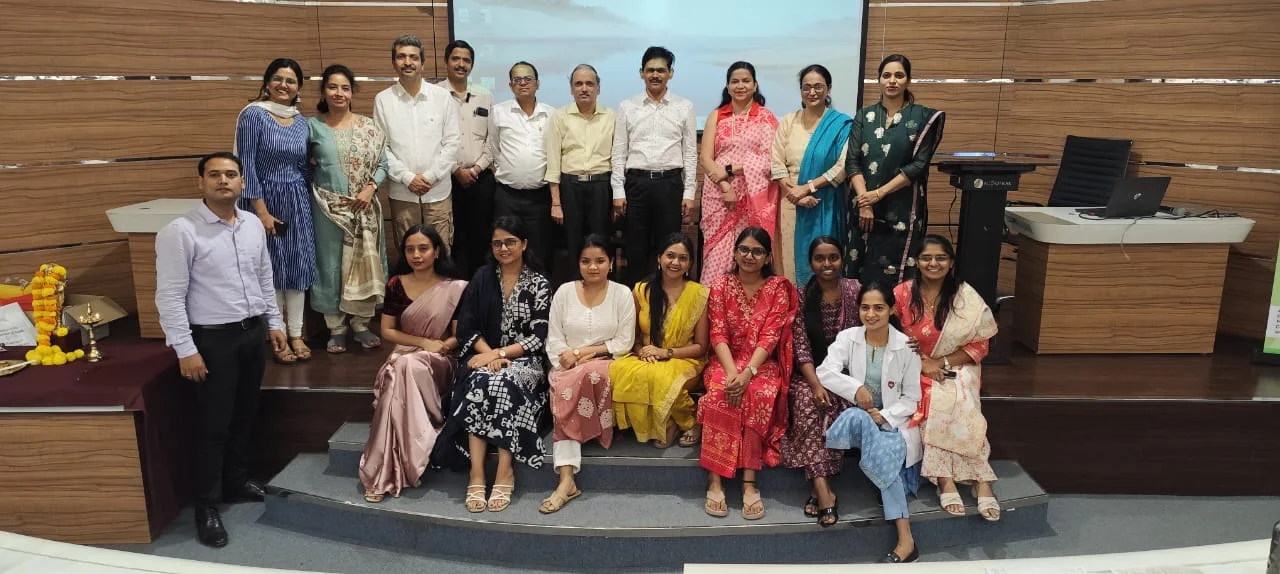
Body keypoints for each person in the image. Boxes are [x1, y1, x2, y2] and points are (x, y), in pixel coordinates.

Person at [155, 152, 289, 548]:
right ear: (200, 182)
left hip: (251, 334)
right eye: (214, 174)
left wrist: (275, 323)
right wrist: (185, 349)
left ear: (242, 183)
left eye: (231, 174)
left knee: (244, 415)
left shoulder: (251, 224)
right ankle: (206, 504)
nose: (223, 180)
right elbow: (169, 297)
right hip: (212, 340)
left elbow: (264, 276)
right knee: (213, 426)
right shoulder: (180, 231)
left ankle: (236, 482)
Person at [432, 216, 551, 514]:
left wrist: (500, 354)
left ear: (524, 244)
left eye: (510, 242)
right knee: (480, 380)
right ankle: (476, 473)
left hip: (525, 362)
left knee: (503, 382)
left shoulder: (539, 283)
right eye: (497, 243)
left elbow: (539, 337)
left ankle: (504, 470)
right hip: (485, 356)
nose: (504, 248)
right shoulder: (482, 277)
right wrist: (490, 355)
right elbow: (467, 327)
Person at [893, 234, 1001, 522]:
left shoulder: (965, 296)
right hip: (912, 366)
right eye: (926, 257)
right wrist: (921, 363)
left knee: (963, 397)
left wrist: (940, 362)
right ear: (916, 261)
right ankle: (945, 478)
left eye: (941, 257)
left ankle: (981, 479)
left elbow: (981, 344)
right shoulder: (902, 294)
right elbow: (890, 336)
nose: (933, 263)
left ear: (951, 263)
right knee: (934, 395)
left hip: (955, 363)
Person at [358, 225, 466, 503]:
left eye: (423, 248)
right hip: (407, 355)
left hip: (440, 360)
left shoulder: (454, 288)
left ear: (436, 252)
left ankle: (383, 470)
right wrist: (422, 342)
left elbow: (459, 335)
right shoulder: (396, 284)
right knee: (402, 368)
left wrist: (439, 346)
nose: (416, 255)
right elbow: (388, 331)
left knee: (401, 369)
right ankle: (393, 466)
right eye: (410, 249)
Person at [699, 226, 797, 520]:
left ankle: (749, 482)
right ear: (735, 252)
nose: (749, 256)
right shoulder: (721, 285)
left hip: (761, 364)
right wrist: (733, 373)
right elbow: (718, 333)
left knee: (758, 393)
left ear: (767, 257)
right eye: (744, 250)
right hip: (725, 361)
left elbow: (771, 336)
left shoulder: (778, 287)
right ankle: (715, 479)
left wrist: (747, 374)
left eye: (757, 251)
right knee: (719, 392)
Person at [820, 283, 923, 563]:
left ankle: (906, 540)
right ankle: (906, 539)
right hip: (858, 421)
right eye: (865, 307)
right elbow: (825, 372)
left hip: (891, 424)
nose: (871, 314)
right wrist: (856, 389)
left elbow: (912, 397)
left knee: (885, 449)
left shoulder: (906, 347)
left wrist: (885, 416)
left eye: (879, 308)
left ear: (892, 310)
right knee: (857, 416)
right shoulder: (848, 338)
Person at [540, 234, 636, 513]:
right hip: (566, 365)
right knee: (569, 383)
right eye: (586, 261)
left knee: (587, 377)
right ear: (578, 263)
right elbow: (554, 339)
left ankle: (567, 478)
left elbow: (624, 342)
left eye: (600, 261)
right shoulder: (564, 292)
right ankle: (566, 478)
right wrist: (568, 360)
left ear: (611, 263)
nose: (593, 267)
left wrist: (583, 353)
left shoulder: (622, 294)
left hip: (606, 363)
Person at [779, 236, 861, 527]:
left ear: (842, 260)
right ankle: (824, 489)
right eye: (820, 258)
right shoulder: (801, 296)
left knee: (837, 403)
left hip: (848, 375)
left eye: (833, 257)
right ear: (810, 262)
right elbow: (800, 346)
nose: (827, 264)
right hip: (809, 374)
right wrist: (815, 385)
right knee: (808, 401)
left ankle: (818, 490)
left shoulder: (855, 290)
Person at [235, 58, 313, 364]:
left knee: (298, 265)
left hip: (297, 199)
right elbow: (247, 165)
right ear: (267, 83)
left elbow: (304, 166)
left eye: (291, 81)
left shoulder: (302, 122)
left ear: (298, 87)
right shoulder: (253, 115)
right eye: (278, 79)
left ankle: (297, 332)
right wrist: (262, 212)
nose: (284, 85)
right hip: (263, 200)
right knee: (271, 267)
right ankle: (276, 333)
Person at [308, 64, 390, 354]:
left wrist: (370, 188)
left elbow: (383, 164)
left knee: (364, 264)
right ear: (323, 91)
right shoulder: (312, 127)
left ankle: (361, 324)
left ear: (352, 92)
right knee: (331, 265)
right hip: (327, 209)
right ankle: (336, 328)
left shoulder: (369, 127)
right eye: (332, 87)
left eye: (345, 87)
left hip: (363, 208)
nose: (338, 93)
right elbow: (303, 165)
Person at [845, 54, 945, 286]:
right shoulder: (864, 116)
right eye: (886, 75)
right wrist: (865, 202)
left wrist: (879, 193)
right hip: (863, 206)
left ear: (908, 80)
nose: (892, 81)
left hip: (903, 206)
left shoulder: (922, 118)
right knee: (860, 264)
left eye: (899, 75)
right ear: (879, 80)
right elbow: (852, 161)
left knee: (898, 268)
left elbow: (918, 165)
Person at [611, 233, 709, 448]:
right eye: (670, 256)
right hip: (646, 355)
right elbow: (633, 335)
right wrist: (642, 351)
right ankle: (667, 423)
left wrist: (666, 353)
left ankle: (689, 421)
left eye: (683, 258)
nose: (675, 262)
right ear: (659, 258)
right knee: (618, 370)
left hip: (684, 359)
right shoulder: (641, 290)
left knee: (661, 377)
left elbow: (701, 347)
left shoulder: (699, 294)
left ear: (690, 264)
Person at [611, 46, 698, 286]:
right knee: (635, 250)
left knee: (669, 249)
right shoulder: (627, 106)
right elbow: (619, 152)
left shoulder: (684, 106)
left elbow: (690, 153)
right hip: (636, 185)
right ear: (641, 73)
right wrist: (618, 190)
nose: (655, 75)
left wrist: (689, 193)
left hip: (670, 185)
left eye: (661, 70)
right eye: (650, 70)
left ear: (670, 73)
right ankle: (636, 302)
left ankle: (666, 299)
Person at [374, 34, 461, 248]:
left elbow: (452, 142)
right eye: (401, 56)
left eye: (413, 57)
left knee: (441, 252)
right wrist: (407, 178)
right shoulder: (383, 100)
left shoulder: (442, 97)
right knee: (408, 253)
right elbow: (381, 148)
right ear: (393, 62)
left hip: (438, 192)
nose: (408, 62)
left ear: (423, 62)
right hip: (402, 193)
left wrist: (430, 176)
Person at [771, 65, 852, 285]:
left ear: (829, 89)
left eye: (818, 86)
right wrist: (795, 194)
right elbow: (777, 163)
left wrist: (807, 189)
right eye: (806, 87)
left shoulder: (841, 124)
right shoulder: (789, 121)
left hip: (824, 201)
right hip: (790, 202)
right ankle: (792, 305)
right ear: (800, 90)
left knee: (824, 261)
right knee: (789, 262)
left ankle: (821, 305)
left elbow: (842, 166)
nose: (812, 92)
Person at [699, 61, 779, 284]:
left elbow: (771, 160)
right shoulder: (717, 116)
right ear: (727, 86)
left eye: (746, 81)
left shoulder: (766, 117)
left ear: (755, 85)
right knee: (715, 258)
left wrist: (732, 169)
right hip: (718, 196)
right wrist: (725, 186)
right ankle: (713, 302)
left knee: (748, 254)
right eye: (735, 81)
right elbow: (706, 158)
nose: (740, 86)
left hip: (752, 198)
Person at [490, 61, 556, 272]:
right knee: (505, 250)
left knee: (539, 249)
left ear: (537, 84)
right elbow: (494, 149)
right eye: (517, 79)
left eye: (528, 78)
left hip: (540, 196)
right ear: (510, 85)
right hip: (507, 196)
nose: (523, 83)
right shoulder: (498, 112)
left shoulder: (552, 114)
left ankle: (539, 290)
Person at [547, 65, 616, 267]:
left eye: (589, 84)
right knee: (574, 244)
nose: (584, 88)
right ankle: (575, 283)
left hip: (601, 186)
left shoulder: (612, 116)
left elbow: (618, 159)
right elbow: (553, 162)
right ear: (571, 89)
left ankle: (601, 283)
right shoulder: (559, 116)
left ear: (598, 88)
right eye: (578, 84)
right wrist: (556, 203)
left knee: (600, 243)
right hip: (570, 187)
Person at [437, 40, 496, 277]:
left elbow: (492, 140)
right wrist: (455, 169)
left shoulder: (484, 96)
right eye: (455, 59)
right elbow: (433, 140)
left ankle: (478, 287)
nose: (461, 64)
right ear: (446, 61)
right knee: (452, 239)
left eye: (466, 60)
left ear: (472, 65)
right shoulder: (435, 95)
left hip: (481, 179)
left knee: (480, 240)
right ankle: (453, 290)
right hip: (446, 179)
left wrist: (477, 168)